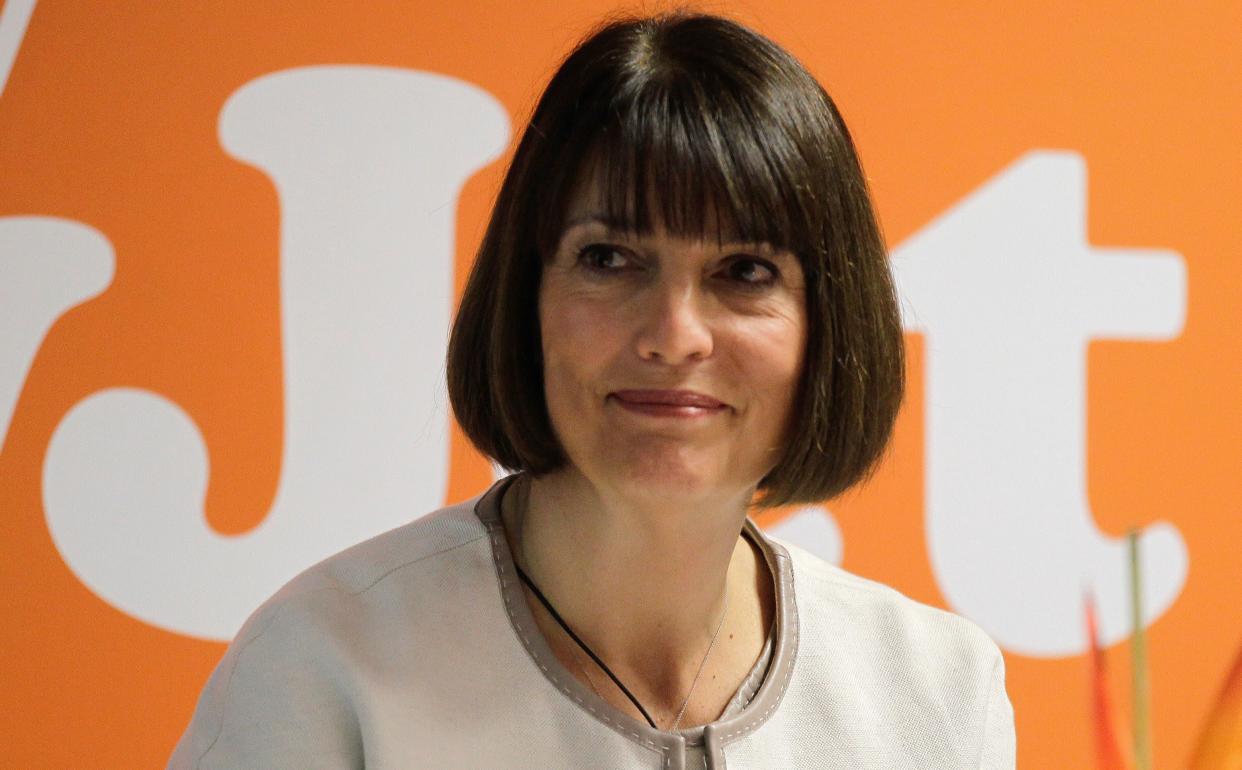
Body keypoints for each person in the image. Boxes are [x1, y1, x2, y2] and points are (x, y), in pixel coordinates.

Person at [170, 11, 1015, 769]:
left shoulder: (938, 693)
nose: (674, 334)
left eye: (744, 272)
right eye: (610, 259)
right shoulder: (323, 671)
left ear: (830, 326)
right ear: (526, 296)